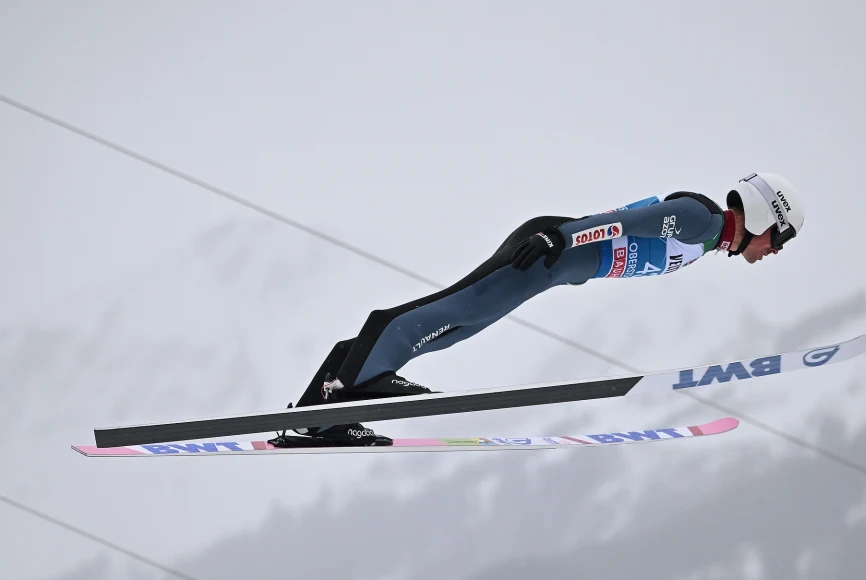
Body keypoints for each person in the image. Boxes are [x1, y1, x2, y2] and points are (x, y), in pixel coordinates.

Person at [280, 172, 804, 447]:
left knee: (457, 326)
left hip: (557, 258)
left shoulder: (707, 236)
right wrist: (559, 239)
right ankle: (350, 391)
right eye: (778, 239)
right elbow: (620, 225)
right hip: (550, 252)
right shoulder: (700, 221)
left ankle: (321, 408)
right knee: (457, 309)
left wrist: (562, 242)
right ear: (764, 216)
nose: (774, 251)